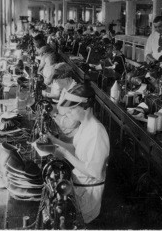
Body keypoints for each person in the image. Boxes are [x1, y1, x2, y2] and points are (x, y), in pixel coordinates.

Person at [35, 84, 110, 224]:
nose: (68, 113)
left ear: (86, 107)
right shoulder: (84, 125)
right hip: (77, 186)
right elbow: (75, 149)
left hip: (88, 196)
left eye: (72, 109)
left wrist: (65, 154)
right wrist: (52, 139)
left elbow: (94, 171)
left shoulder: (97, 132)